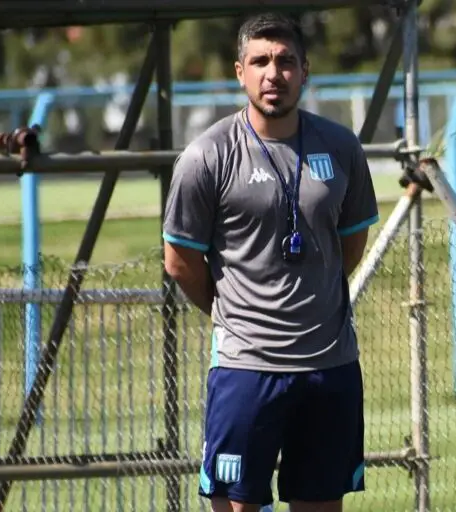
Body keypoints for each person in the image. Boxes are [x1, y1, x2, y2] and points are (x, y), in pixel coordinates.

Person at [162, 12, 379, 512]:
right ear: (240, 71)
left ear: (305, 70)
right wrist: (232, 313)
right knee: (237, 505)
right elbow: (179, 261)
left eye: (285, 61)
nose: (272, 73)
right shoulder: (208, 154)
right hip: (246, 369)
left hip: (331, 365)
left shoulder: (341, 147)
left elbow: (349, 244)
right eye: (259, 61)